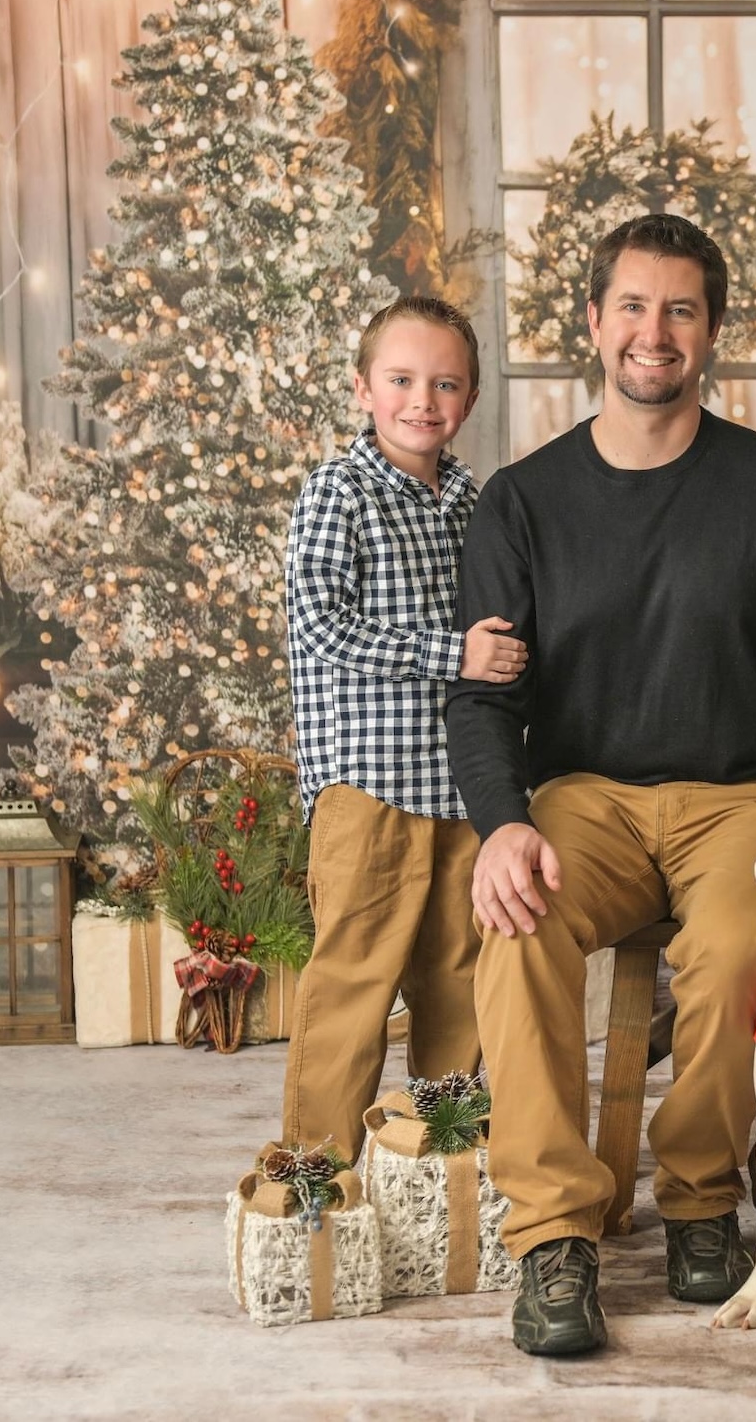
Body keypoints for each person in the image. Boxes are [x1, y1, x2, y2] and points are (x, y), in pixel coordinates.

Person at [444, 213, 756, 1357]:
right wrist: (500, 826)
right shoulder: (521, 501)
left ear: (712, 331)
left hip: (746, 795)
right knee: (516, 920)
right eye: (632, 306)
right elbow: (483, 698)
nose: (654, 331)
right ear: (592, 324)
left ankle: (699, 1199)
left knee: (747, 936)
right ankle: (551, 1235)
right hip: (583, 793)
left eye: (679, 309)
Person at [280, 295, 527, 1164]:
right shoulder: (336, 493)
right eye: (401, 379)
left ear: (469, 397)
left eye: (446, 382)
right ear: (362, 388)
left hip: (458, 786)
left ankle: (442, 1163)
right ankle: (315, 1170)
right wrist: (451, 653)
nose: (423, 399)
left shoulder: (470, 500)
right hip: (370, 786)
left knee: (456, 982)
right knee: (354, 977)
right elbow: (321, 624)